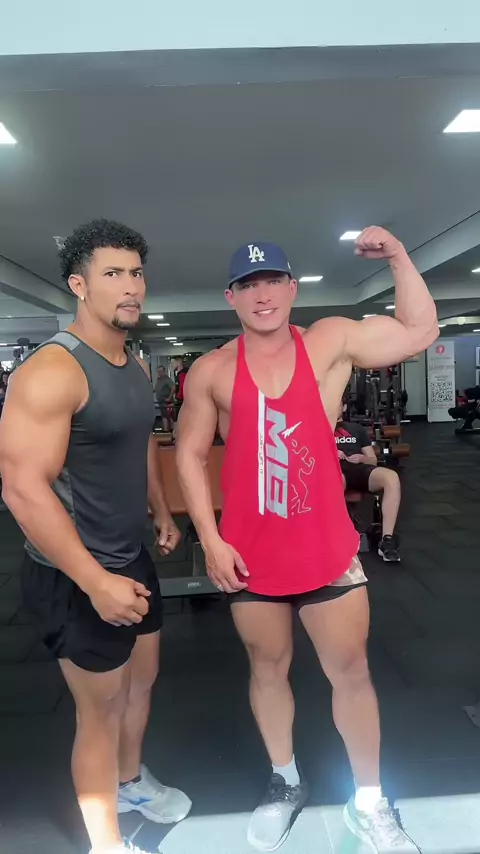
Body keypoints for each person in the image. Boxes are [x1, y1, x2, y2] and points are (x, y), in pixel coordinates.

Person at [176, 227, 438, 853]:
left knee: (352, 672)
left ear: (292, 288)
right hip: (249, 555)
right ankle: (285, 781)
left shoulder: (330, 341)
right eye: (248, 285)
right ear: (231, 297)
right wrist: (210, 540)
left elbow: (419, 331)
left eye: (273, 281)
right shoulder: (212, 371)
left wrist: (400, 257)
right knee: (267, 669)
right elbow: (188, 454)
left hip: (326, 548)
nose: (262, 294)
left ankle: (369, 802)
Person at [0, 219, 191, 854]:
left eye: (136, 272)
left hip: (129, 555)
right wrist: (95, 581)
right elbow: (22, 489)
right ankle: (107, 845)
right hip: (75, 573)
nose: (131, 285)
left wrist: (161, 510)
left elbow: (141, 445)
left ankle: (129, 782)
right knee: (100, 710)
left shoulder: (132, 364)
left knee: (142, 681)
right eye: (113, 273)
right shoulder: (52, 372)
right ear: (79, 285)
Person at [335, 402, 401, 562]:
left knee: (391, 477)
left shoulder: (357, 429)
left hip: (360, 470)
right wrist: (331, 453)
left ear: (344, 407)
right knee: (337, 480)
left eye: (337, 403)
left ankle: (387, 540)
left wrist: (362, 458)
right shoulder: (320, 429)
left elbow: (372, 459)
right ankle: (337, 537)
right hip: (336, 472)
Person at [155, 364, 174, 432]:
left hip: (167, 401)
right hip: (161, 401)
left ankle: (173, 431)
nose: (159, 373)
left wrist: (169, 398)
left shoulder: (167, 379)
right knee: (164, 416)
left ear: (164, 371)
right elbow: (157, 388)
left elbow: (173, 387)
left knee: (170, 416)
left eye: (160, 371)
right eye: (158, 371)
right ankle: (165, 430)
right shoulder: (158, 379)